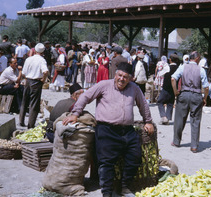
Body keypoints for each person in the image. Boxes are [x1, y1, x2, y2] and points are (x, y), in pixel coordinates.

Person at [62, 62, 154, 197]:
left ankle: (124, 187)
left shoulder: (134, 88)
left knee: (135, 156)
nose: (122, 79)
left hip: (127, 130)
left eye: (126, 77)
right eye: (120, 75)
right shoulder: (104, 85)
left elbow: (143, 105)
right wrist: (76, 113)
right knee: (106, 162)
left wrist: (148, 121)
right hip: (106, 130)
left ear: (131, 78)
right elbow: (85, 96)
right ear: (115, 75)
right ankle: (107, 192)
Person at [171, 51, 209, 153]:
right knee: (195, 121)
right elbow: (206, 87)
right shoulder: (201, 69)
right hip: (196, 95)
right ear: (197, 59)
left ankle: (176, 141)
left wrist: (176, 92)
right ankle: (194, 146)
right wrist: (204, 98)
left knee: (179, 118)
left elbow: (173, 79)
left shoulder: (183, 66)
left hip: (183, 94)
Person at [19, 43, 49, 128]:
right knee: (34, 104)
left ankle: (21, 121)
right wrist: (43, 79)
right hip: (36, 82)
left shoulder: (29, 59)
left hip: (28, 80)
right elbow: (45, 71)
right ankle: (30, 124)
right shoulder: (41, 60)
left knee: (24, 101)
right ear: (43, 52)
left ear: (35, 50)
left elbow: (24, 73)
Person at [157, 54, 178, 125]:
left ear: (170, 60)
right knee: (170, 103)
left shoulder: (167, 67)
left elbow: (161, 75)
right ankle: (168, 119)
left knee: (160, 101)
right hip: (173, 88)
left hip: (166, 88)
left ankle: (163, 117)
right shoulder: (178, 68)